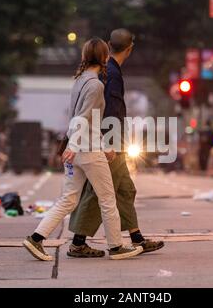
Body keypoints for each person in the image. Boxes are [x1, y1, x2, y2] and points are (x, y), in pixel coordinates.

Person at [23, 38, 143, 261]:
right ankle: (117, 247)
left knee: (67, 200)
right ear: (105, 57)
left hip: (80, 150)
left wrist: (98, 145)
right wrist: (76, 145)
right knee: (107, 200)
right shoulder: (97, 85)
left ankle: (36, 239)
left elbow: (88, 119)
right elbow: (84, 117)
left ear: (84, 57)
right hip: (87, 152)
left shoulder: (78, 81)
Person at [67, 29, 164, 258]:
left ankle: (137, 238)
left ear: (110, 45)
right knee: (99, 192)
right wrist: (107, 143)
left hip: (113, 139)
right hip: (110, 141)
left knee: (125, 189)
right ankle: (78, 242)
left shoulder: (109, 71)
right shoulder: (110, 73)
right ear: (130, 49)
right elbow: (106, 110)